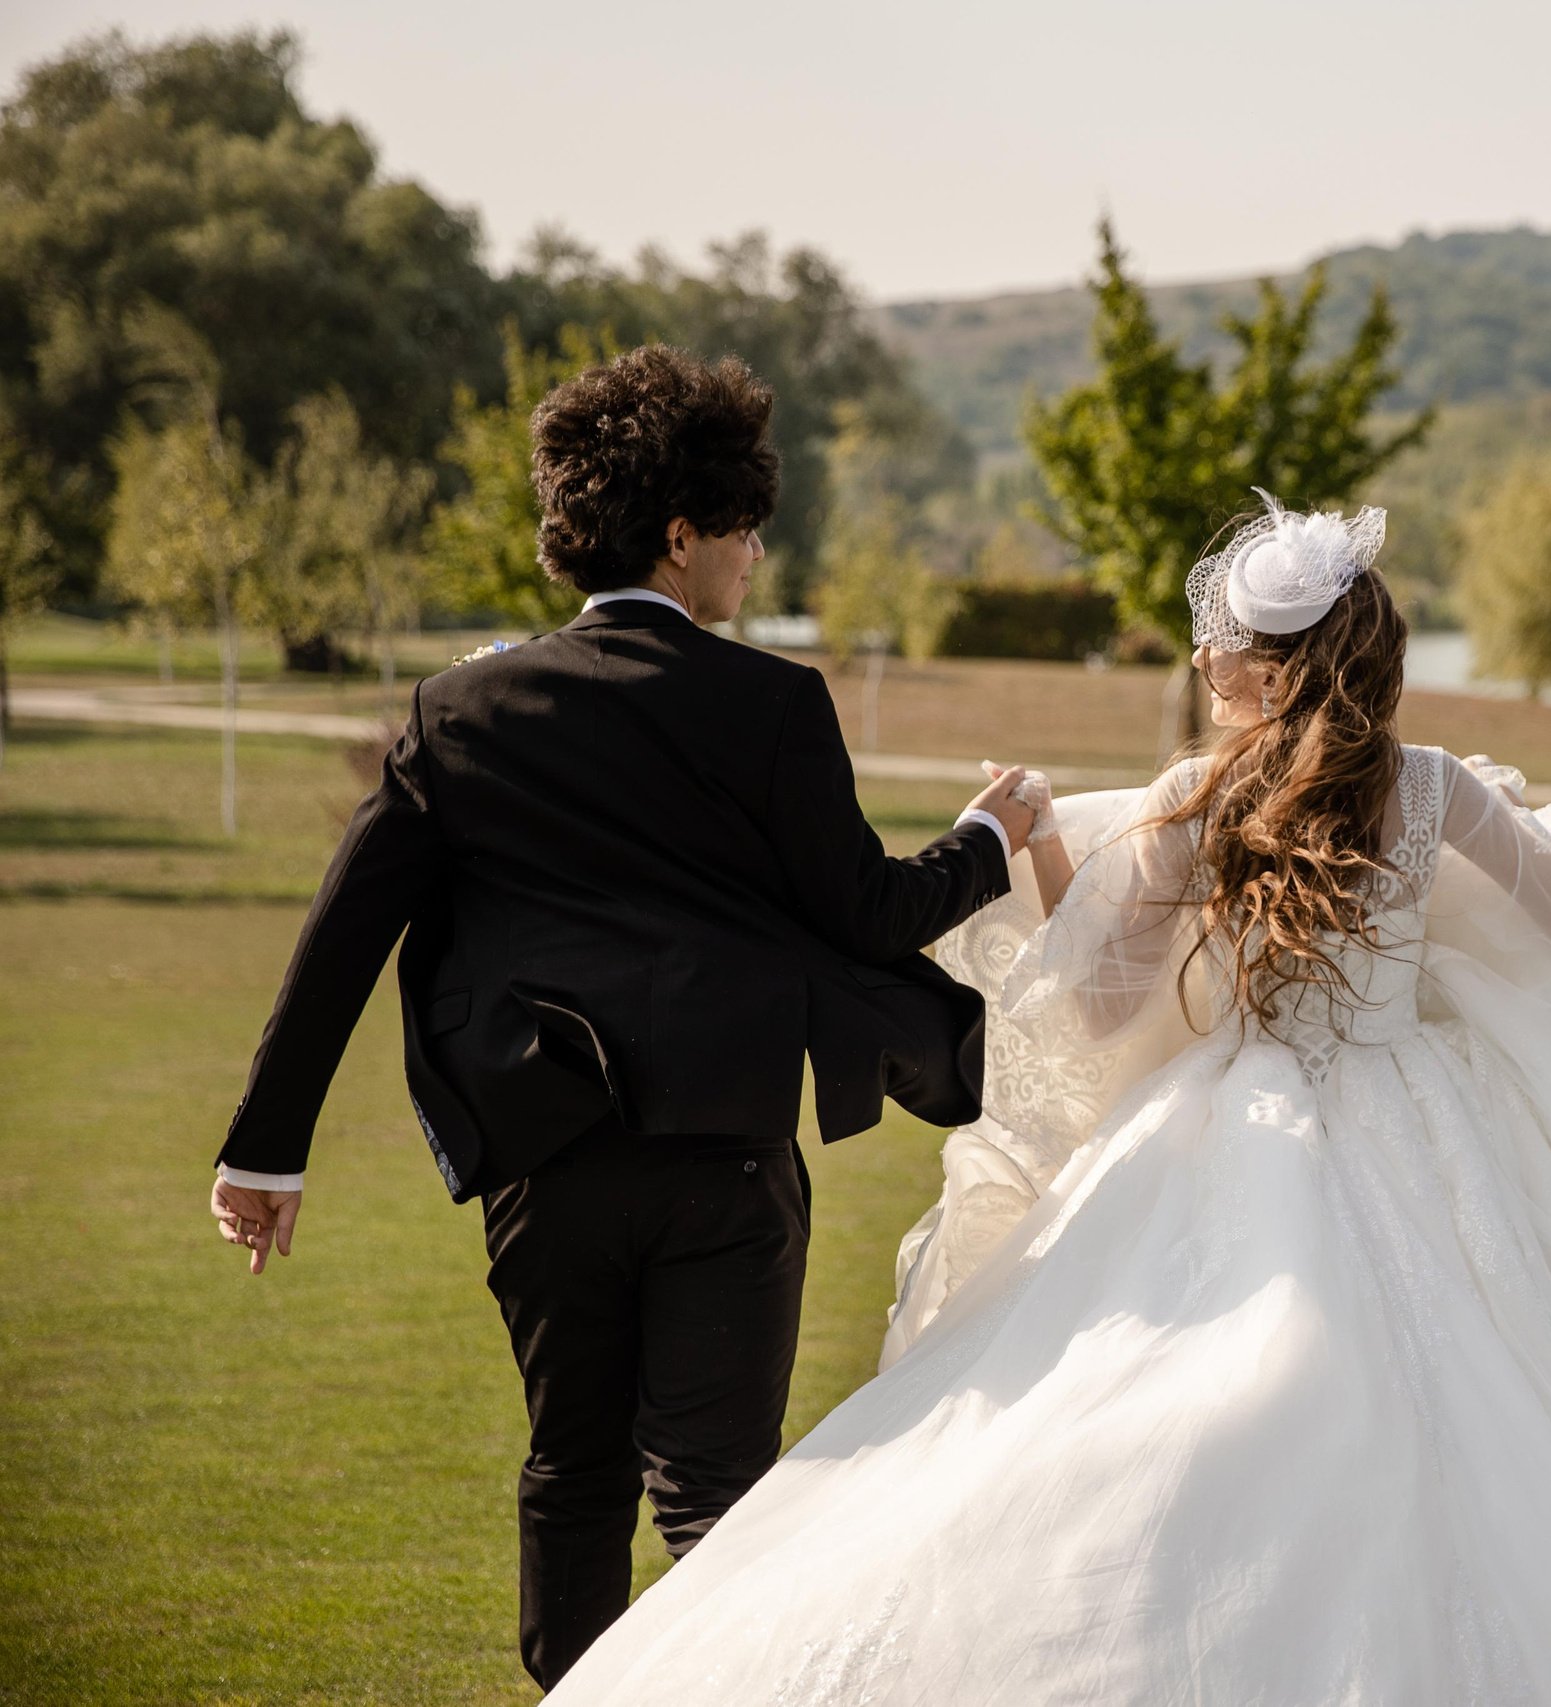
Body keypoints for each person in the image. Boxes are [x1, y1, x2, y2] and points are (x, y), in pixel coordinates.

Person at [548, 493, 1551, 1705]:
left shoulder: (1201, 794)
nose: (1201, 660)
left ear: (1275, 672)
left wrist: (1042, 845)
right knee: (1473, 1395)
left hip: (1233, 1118)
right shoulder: (1436, 788)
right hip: (1415, 1120)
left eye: (1220, 645)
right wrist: (1517, 849)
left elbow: (1097, 1003)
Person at [205, 345, 1038, 1689]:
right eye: (745, 527)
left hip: (545, 1173)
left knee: (572, 1468)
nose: (756, 556)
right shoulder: (772, 703)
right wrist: (987, 837)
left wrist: (266, 1150)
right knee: (719, 1502)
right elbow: (870, 912)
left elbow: (345, 929)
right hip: (727, 1169)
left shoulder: (461, 708)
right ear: (681, 532)